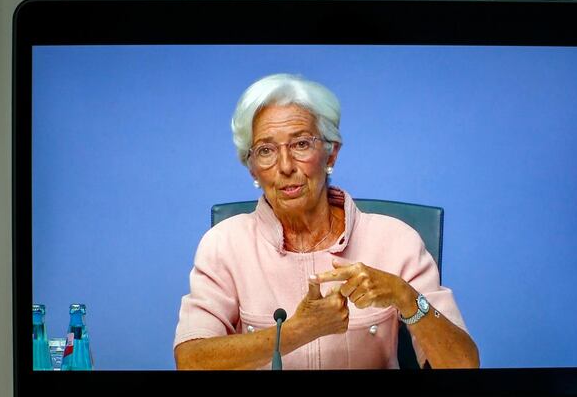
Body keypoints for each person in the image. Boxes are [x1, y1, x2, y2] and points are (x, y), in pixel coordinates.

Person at [174, 74, 479, 370]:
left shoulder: (397, 239)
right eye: (266, 151)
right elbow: (190, 361)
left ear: (331, 154)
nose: (285, 166)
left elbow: (464, 365)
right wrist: (297, 332)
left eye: (301, 144)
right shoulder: (224, 244)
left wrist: (406, 297)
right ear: (253, 169)